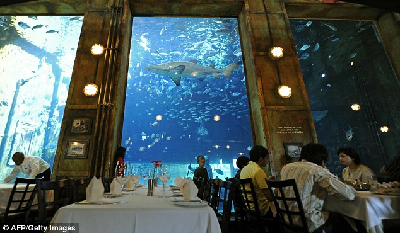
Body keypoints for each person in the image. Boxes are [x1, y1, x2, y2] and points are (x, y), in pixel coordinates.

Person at [280, 143, 357, 233]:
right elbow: (348, 194)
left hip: (286, 220)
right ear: (322, 159)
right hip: (309, 221)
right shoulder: (316, 170)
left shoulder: (286, 168)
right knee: (345, 219)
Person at [240, 145, 276, 220]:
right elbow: (269, 197)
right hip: (261, 209)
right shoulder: (258, 171)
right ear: (260, 159)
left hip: (250, 207)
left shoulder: (245, 169)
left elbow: (254, 183)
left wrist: (266, 181)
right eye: (267, 158)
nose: (268, 160)